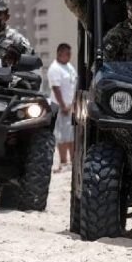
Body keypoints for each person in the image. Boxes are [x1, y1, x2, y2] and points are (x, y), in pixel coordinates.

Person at [47, 43, 76, 173]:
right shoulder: (55, 68)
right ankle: (63, 162)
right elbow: (56, 88)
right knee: (62, 136)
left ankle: (73, 161)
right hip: (61, 107)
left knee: (72, 135)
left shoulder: (69, 66)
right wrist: (63, 106)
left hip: (72, 106)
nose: (70, 56)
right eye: (68, 54)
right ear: (60, 54)